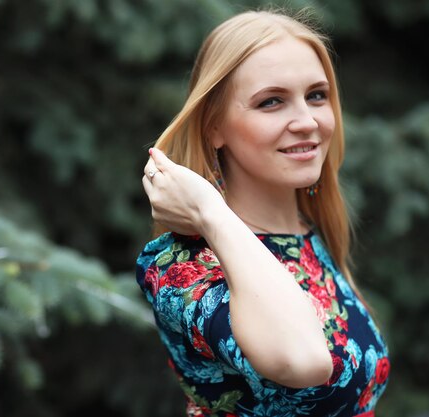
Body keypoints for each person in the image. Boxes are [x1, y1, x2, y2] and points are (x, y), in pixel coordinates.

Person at [136, 8, 390, 417]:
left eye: (316, 95)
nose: (307, 121)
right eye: (272, 102)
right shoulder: (179, 266)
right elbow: (303, 361)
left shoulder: (309, 233)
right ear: (213, 127)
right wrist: (211, 213)